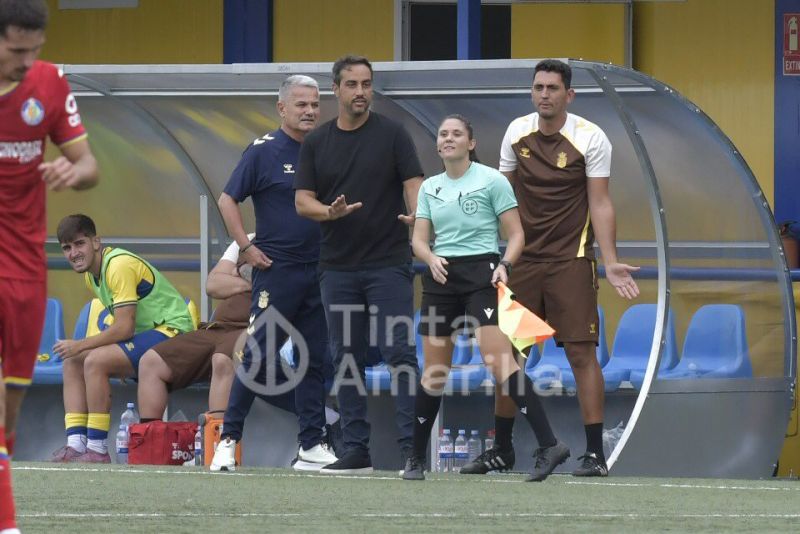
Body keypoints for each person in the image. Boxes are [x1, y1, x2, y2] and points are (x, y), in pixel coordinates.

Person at [462, 59, 639, 478]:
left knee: (581, 353)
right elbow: (497, 195)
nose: (545, 94)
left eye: (553, 88)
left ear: (569, 95)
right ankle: (501, 449)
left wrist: (611, 261)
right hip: (522, 263)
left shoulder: (590, 137)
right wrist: (491, 252)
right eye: (539, 87)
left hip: (570, 262)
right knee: (511, 355)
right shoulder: (515, 132)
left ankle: (594, 454)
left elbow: (600, 202)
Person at [401, 114, 568, 482]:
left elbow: (516, 234)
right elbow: (418, 239)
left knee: (499, 362)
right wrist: (430, 258)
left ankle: (550, 444)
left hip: (483, 274)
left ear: (470, 143)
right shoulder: (430, 187)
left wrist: (504, 265)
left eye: (456, 133)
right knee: (434, 371)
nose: (448, 139)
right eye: (443, 134)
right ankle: (415, 458)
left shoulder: (491, 180)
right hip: (441, 278)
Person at [295, 55, 422, 474]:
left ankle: (411, 449)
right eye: (352, 84)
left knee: (399, 353)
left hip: (388, 264)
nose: (361, 92)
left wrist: (416, 219)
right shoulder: (317, 141)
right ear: (336, 89)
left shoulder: (393, 135)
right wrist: (328, 213)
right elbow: (303, 201)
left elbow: (414, 185)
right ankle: (356, 450)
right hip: (338, 268)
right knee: (346, 357)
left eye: (367, 84)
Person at [0, 0, 98, 530]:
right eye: (17, 50)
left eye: (35, 50)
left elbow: (88, 165)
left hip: (21, 268)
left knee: (9, 406)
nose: (27, 60)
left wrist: (71, 170)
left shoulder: (49, 84)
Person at [209, 75, 338, 472]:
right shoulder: (262, 151)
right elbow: (228, 197)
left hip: (318, 271)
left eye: (315, 104)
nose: (310, 111)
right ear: (282, 108)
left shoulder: (327, 148)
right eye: (301, 104)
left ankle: (311, 444)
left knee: (315, 359)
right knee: (258, 355)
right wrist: (245, 247)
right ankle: (227, 442)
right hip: (276, 271)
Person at [50, 214, 195, 463]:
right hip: (148, 336)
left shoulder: (117, 265)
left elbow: (124, 328)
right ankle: (75, 443)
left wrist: (79, 345)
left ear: (96, 242)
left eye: (79, 243)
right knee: (71, 362)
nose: (74, 253)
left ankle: (97, 449)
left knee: (94, 360)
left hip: (175, 333)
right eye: (67, 247)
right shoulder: (90, 275)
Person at [135, 236, 252, 421]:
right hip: (216, 329)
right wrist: (252, 284)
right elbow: (213, 284)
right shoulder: (246, 239)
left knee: (222, 360)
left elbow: (279, 291)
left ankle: (221, 444)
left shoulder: (292, 243)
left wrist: (235, 277)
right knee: (151, 362)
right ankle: (152, 443)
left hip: (255, 328)